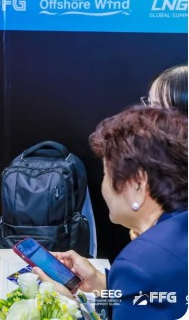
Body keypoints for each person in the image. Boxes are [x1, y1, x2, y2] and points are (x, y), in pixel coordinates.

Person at [34, 107, 187, 320]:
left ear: (138, 183)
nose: (104, 185)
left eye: (106, 174)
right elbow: (163, 298)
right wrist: (99, 283)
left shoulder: (141, 262)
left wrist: (71, 307)